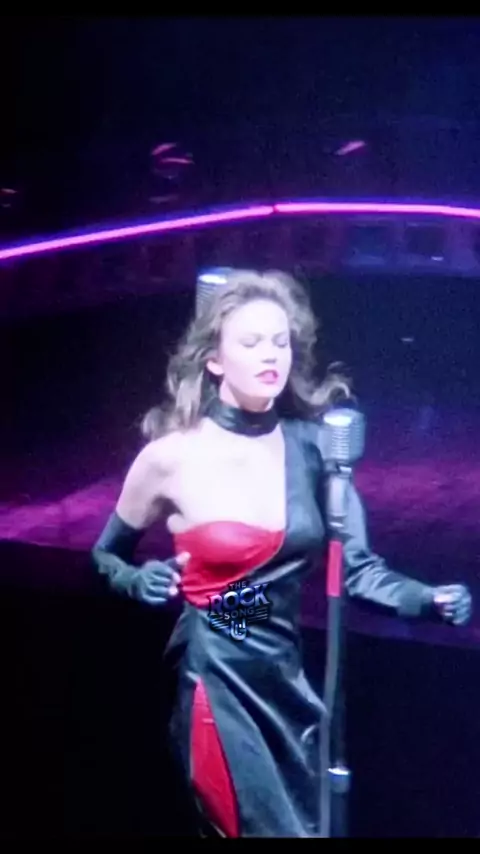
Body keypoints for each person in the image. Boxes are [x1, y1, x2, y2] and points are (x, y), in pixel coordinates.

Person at [92, 268, 472, 838]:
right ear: (214, 360)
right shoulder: (171, 458)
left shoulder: (314, 450)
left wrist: (428, 599)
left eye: (280, 342)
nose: (270, 355)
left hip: (286, 686)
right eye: (251, 343)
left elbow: (358, 570)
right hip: (216, 682)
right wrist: (133, 579)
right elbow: (106, 556)